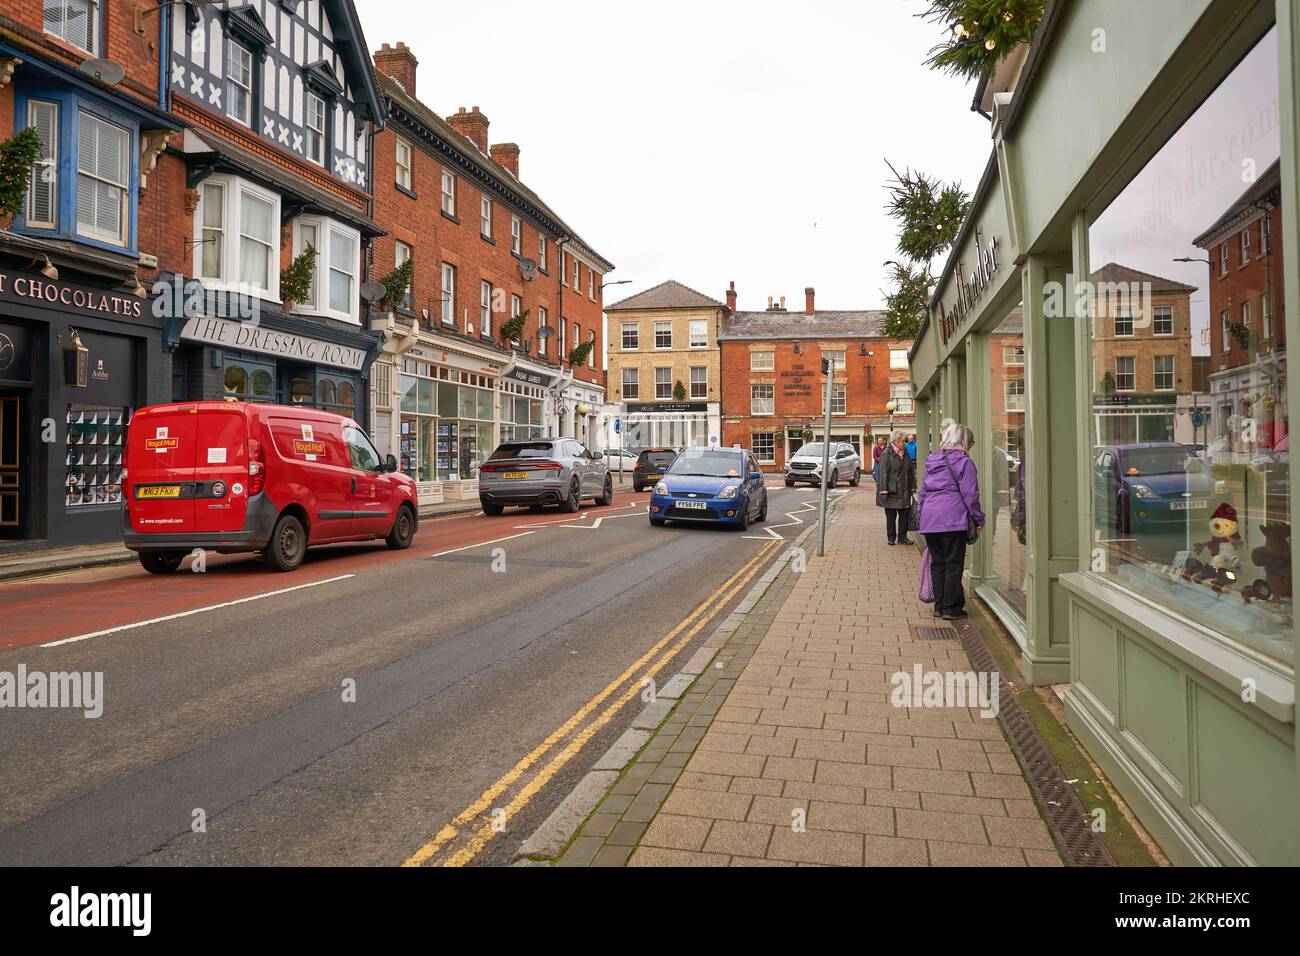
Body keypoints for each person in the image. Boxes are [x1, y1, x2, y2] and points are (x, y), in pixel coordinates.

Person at [918, 422, 985, 620]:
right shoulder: (965, 462)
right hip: (953, 519)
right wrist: (979, 519)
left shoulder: (932, 460)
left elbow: (923, 492)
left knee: (938, 563)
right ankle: (951, 609)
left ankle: (939, 606)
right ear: (964, 442)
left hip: (930, 519)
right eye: (970, 443)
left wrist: (923, 516)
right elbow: (971, 495)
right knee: (953, 564)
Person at [877, 429, 916, 545]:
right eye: (903, 441)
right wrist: (884, 490)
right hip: (891, 491)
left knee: (904, 515)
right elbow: (883, 472)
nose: (905, 444)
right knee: (891, 516)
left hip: (904, 490)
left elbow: (910, 471)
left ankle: (902, 538)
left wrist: (913, 486)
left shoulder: (906, 453)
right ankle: (891, 537)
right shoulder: (886, 454)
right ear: (896, 441)